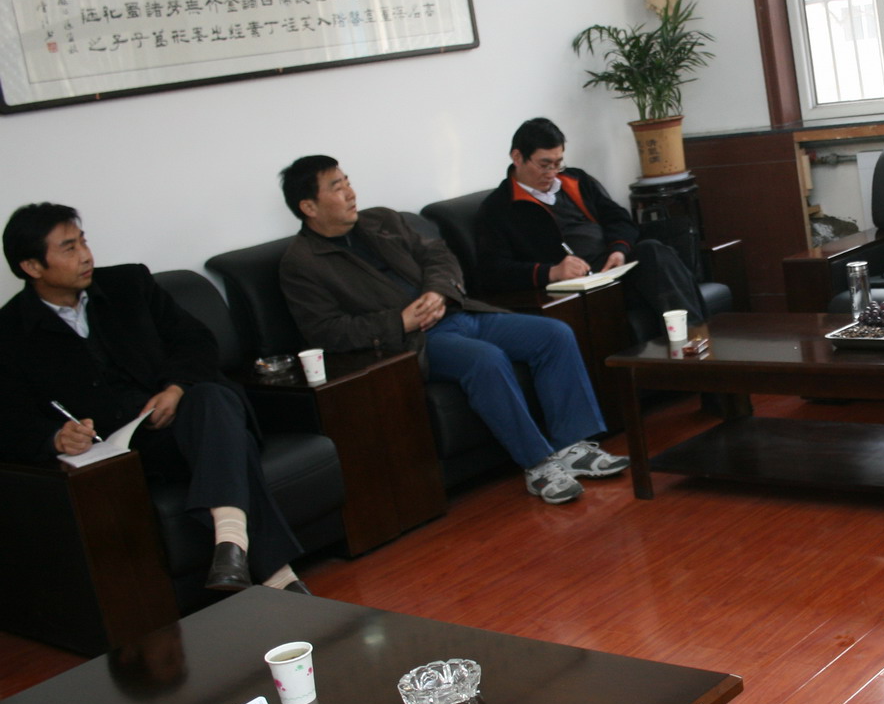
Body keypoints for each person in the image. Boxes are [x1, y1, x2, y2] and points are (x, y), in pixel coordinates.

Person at [276, 156, 628, 504]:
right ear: (309, 206)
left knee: (553, 335)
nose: (351, 193)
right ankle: (538, 465)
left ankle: (572, 447)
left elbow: (439, 255)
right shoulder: (301, 263)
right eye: (337, 188)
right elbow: (325, 331)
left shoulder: (381, 220)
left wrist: (437, 291)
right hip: (416, 341)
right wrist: (399, 321)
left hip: (460, 311)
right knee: (486, 360)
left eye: (348, 182)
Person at [0, 204, 308, 593]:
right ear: (32, 266)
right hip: (129, 453)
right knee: (234, 442)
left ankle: (235, 549)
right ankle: (264, 566)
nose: (86, 256)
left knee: (211, 397)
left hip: (189, 417)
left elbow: (196, 340)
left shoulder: (129, 284)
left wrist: (175, 388)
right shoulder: (10, 334)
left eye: (83, 242)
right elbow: (9, 420)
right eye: (69, 248)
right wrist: (56, 437)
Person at [473, 117, 706, 333]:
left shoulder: (576, 180)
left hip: (613, 269)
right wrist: (551, 272)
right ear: (517, 157)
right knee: (662, 269)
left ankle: (695, 338)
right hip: (574, 288)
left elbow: (619, 218)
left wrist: (618, 249)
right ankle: (694, 340)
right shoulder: (498, 208)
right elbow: (493, 271)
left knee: (653, 250)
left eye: (558, 163)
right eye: (544, 165)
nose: (552, 173)